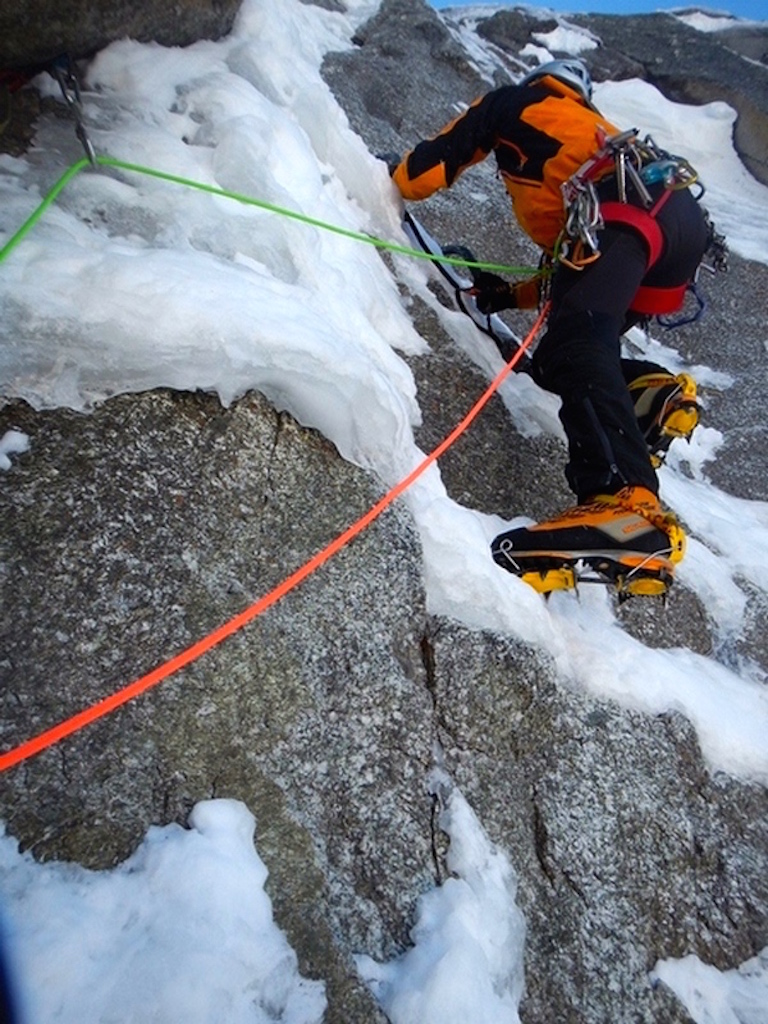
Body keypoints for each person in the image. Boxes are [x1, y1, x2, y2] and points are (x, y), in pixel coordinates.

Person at [386, 58, 713, 596]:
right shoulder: (594, 131)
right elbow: (577, 275)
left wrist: (386, 179)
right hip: (671, 225)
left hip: (627, 214)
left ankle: (625, 505)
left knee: (576, 346)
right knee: (577, 351)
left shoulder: (521, 100)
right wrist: (505, 296)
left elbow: (433, 163)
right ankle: (647, 393)